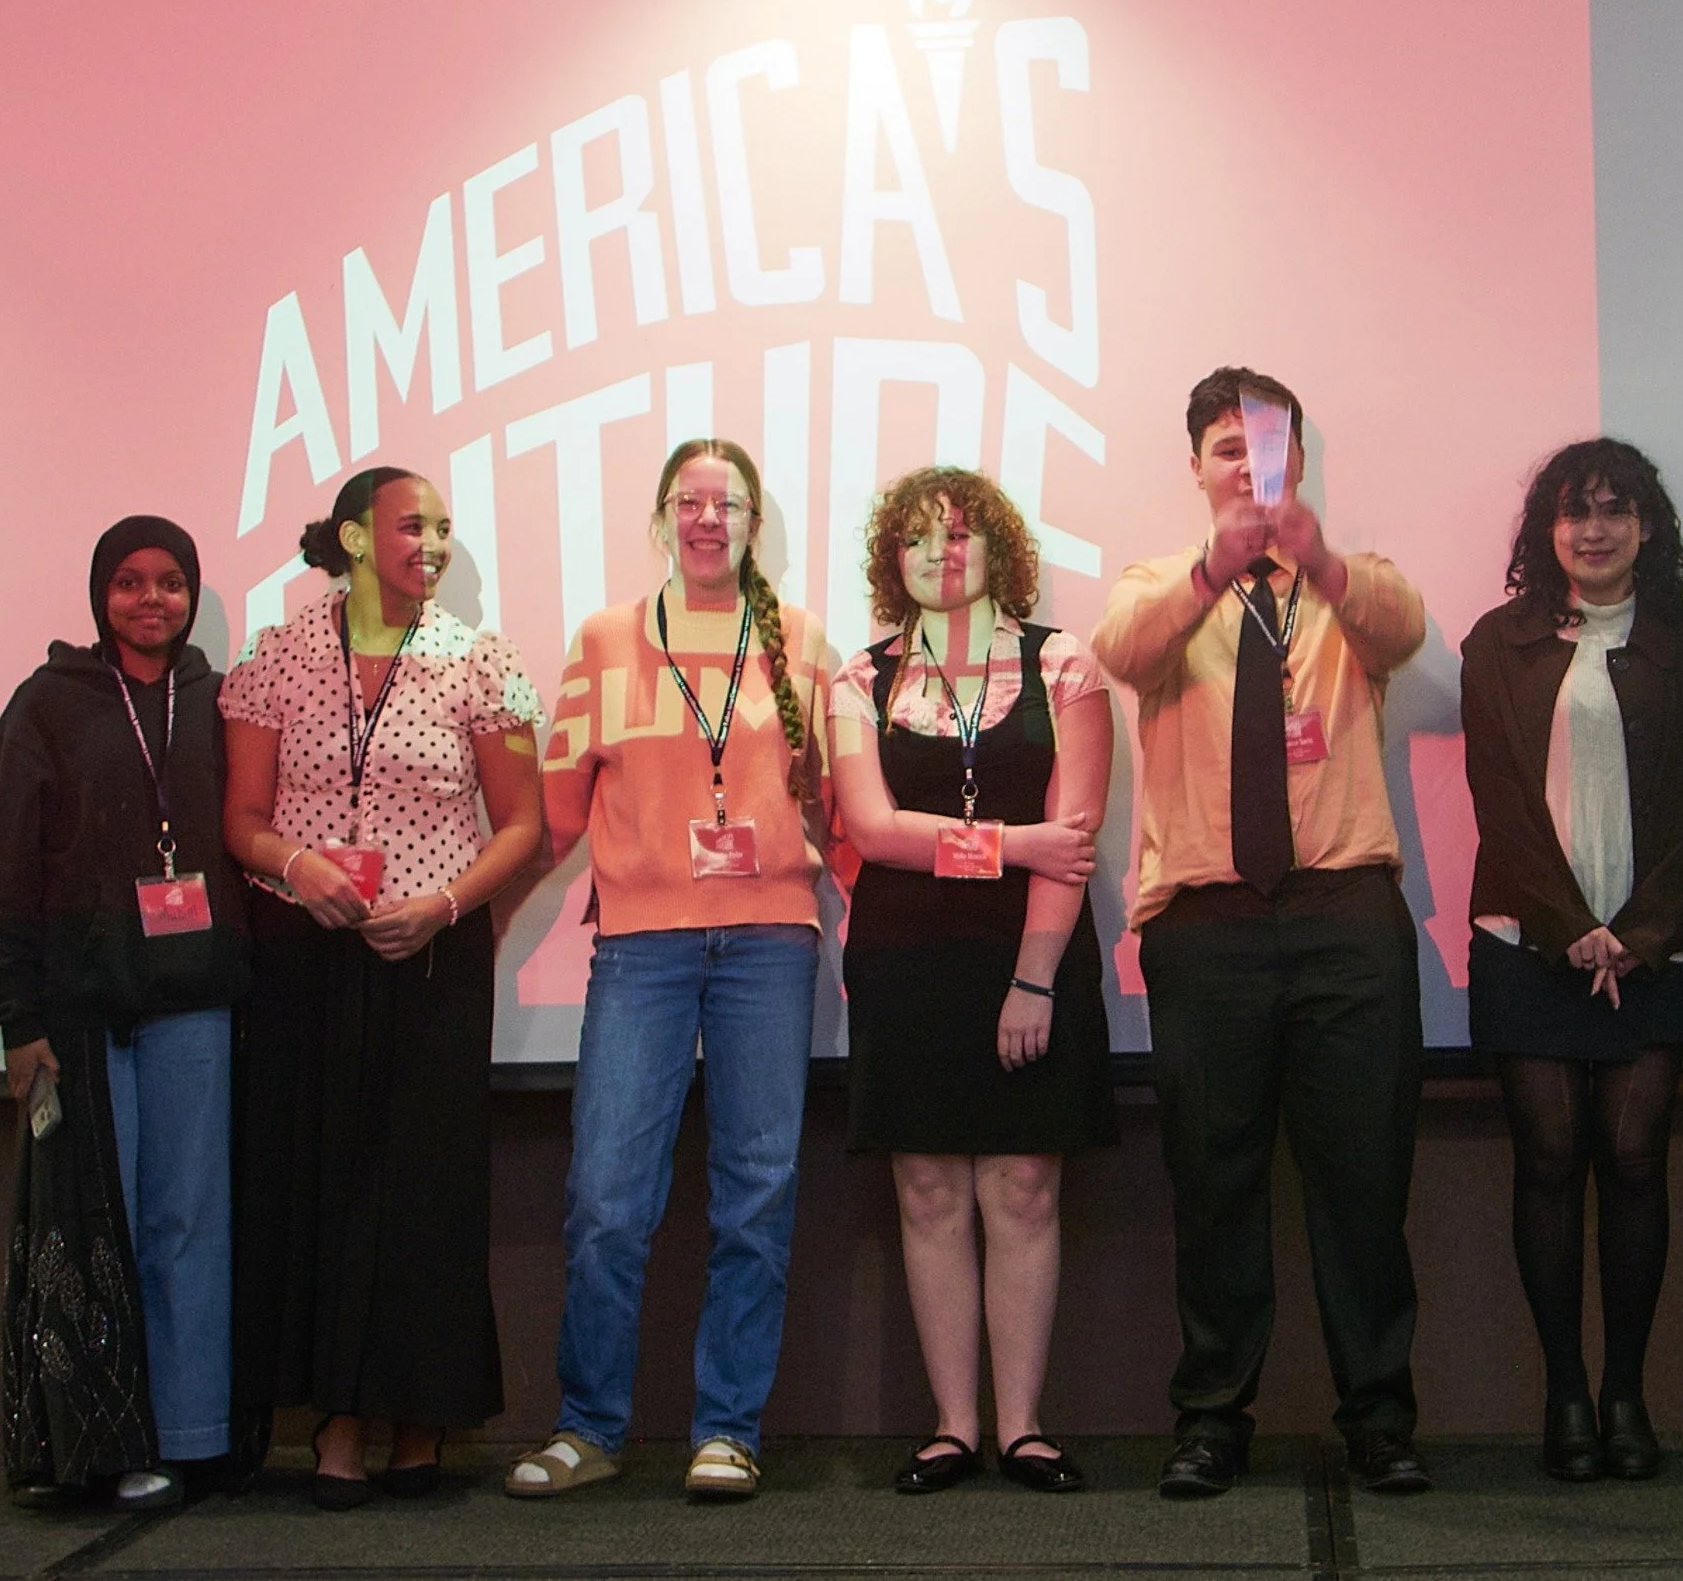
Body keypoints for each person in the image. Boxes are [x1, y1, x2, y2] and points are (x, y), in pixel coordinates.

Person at [1093, 366, 1431, 1499]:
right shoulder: (1161, 583)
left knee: (1362, 1180)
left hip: (1345, 916)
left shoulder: (1349, 582)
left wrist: (1317, 559)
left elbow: (1405, 626)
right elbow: (1126, 651)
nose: (1250, 469)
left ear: (1301, 466)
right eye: (1229, 450)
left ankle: (1380, 1419)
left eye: (1269, 452)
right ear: (1196, 465)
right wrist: (1215, 569)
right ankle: (1210, 1419)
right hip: (1210, 921)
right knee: (1216, 1179)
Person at [507, 439, 829, 1503]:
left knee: (757, 1192)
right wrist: (473, 912)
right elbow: (555, 813)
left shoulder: (798, 640)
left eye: (727, 503)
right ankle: (589, 1425)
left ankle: (726, 1430)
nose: (707, 519)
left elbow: (841, 802)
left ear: (752, 523)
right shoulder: (605, 639)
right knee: (606, 1196)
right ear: (662, 519)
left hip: (771, 943)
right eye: (689, 502)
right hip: (641, 946)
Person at [223, 467, 544, 1510]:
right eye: (416, 526)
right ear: (355, 538)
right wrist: (293, 865)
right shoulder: (278, 658)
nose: (436, 544)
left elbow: (524, 828)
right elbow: (241, 820)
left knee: (425, 1192)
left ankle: (421, 1421)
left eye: (447, 528)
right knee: (322, 1182)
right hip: (309, 959)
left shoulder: (476, 662)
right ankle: (339, 1425)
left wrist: (445, 908)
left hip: (433, 960)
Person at [832, 467, 1117, 1496]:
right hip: (905, 960)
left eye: (958, 537)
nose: (937, 554)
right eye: (914, 539)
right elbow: (870, 832)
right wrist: (1014, 843)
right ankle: (952, 1429)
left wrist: (1035, 981)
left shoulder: (1065, 665)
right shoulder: (858, 678)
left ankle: (1023, 1429)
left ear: (999, 551)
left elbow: (1073, 844)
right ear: (889, 559)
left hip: (1025, 958)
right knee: (927, 1187)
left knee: (1025, 1186)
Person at [0, 517, 248, 1511]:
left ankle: (197, 1435)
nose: (151, 601)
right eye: (129, 584)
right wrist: (13, 1013)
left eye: (171, 583)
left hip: (199, 1005)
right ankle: (103, 1442)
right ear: (101, 596)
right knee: (101, 1225)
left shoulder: (224, 702)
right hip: (78, 1015)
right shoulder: (46, 707)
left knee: (191, 1224)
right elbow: (5, 866)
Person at [1458, 441, 1683, 1484]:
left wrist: (1639, 932)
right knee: (1551, 1163)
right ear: (1546, 532)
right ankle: (1566, 1391)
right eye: (1575, 513)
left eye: (1616, 511)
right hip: (1531, 940)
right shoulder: (1496, 645)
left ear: (1648, 527)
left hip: (1655, 940)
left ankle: (1627, 1395)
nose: (1595, 530)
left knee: (1640, 1159)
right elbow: (1500, 802)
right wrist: (1570, 925)